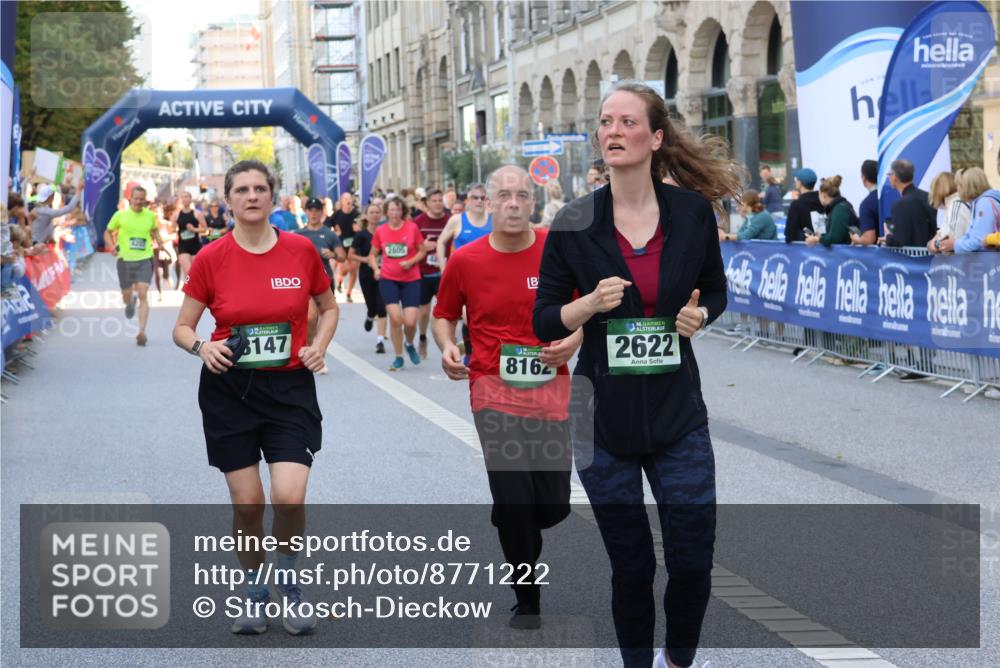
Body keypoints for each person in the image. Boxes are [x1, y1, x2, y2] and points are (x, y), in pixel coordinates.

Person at [533, 81, 736, 668]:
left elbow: (716, 291)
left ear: (655, 137)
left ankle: (679, 656)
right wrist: (588, 306)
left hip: (679, 415)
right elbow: (547, 317)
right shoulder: (574, 221)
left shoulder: (693, 215)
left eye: (626, 121)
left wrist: (701, 314)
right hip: (603, 421)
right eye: (605, 122)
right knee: (633, 565)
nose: (614, 131)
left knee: (694, 558)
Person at [172, 160, 339, 636]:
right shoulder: (211, 258)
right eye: (242, 189)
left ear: (272, 197)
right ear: (228, 199)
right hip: (230, 390)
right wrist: (204, 346)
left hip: (288, 390)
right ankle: (253, 591)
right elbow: (181, 328)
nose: (251, 196)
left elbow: (328, 308)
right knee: (247, 504)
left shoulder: (301, 250)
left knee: (289, 498)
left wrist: (317, 347)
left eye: (260, 188)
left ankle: (288, 586)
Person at [433, 165, 582, 629]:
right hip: (491, 389)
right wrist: (447, 346)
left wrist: (573, 341)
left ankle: (512, 514)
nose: (513, 203)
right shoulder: (466, 259)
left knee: (553, 504)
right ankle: (528, 598)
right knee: (516, 498)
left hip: (549, 389)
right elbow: (443, 315)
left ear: (532, 203)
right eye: (504, 196)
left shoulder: (556, 252)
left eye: (522, 195)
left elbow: (582, 312)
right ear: (487, 203)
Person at [368, 196, 426, 370]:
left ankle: (409, 344)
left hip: (411, 279)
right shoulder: (381, 230)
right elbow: (372, 254)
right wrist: (376, 269)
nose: (395, 213)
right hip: (388, 279)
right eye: (392, 209)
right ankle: (399, 356)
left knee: (409, 322)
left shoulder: (412, 228)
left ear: (403, 212)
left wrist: (411, 262)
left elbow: (422, 251)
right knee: (396, 318)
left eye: (398, 209)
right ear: (387, 211)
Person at [104, 186, 162, 346]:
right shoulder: (120, 215)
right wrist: (111, 246)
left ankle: (141, 331)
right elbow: (107, 232)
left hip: (145, 258)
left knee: (143, 291)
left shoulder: (150, 215)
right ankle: (129, 302)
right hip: (125, 260)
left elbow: (155, 230)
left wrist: (160, 242)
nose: (138, 201)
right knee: (127, 294)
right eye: (136, 198)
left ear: (145, 200)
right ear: (131, 198)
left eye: (141, 199)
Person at [295, 197, 347, 374]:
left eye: (317, 210)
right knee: (310, 318)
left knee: (324, 317)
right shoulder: (298, 234)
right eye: (310, 209)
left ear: (322, 212)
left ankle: (318, 354)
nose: (314, 213)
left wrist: (332, 253)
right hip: (303, 283)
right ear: (306, 212)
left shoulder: (329, 234)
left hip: (324, 282)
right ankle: (313, 353)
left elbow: (342, 256)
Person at [413, 188, 451, 358]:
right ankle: (422, 337)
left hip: (446, 273)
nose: (437, 203)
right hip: (424, 272)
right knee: (423, 311)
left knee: (448, 311)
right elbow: (410, 245)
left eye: (439, 200)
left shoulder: (451, 220)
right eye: (434, 200)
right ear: (427, 203)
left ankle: (449, 344)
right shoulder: (418, 221)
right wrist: (422, 247)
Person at [349, 202, 389, 353]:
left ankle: (380, 341)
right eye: (371, 212)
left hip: (384, 274)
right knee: (372, 306)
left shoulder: (386, 232)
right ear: (366, 215)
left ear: (381, 215)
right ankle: (370, 315)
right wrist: (366, 259)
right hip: (366, 275)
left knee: (382, 307)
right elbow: (350, 255)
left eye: (377, 212)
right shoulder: (361, 235)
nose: (375, 215)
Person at [934, 167, 998, 254]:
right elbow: (971, 236)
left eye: (959, 185)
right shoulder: (979, 203)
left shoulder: (984, 204)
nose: (957, 189)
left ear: (967, 186)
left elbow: (980, 241)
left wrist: (955, 245)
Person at [436, 183, 492, 272]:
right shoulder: (457, 220)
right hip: (461, 275)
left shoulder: (494, 221)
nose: (479, 201)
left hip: (487, 275)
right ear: (468, 200)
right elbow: (440, 242)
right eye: (475, 197)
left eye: (482, 198)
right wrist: (443, 269)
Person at [885, 159, 936, 247]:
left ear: (894, 177)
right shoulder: (928, 196)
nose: (888, 177)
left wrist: (888, 237)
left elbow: (900, 242)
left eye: (889, 174)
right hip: (931, 256)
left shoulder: (899, 205)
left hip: (911, 259)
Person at [806, 176, 855, 247]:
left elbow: (835, 238)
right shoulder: (842, 206)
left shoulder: (839, 210)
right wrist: (821, 237)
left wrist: (817, 239)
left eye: (818, 195)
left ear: (824, 195)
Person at [325, 193, 359, 297]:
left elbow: (362, 225)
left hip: (354, 245)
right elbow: (327, 226)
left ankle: (349, 293)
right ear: (342, 201)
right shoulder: (336, 215)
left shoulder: (356, 213)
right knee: (344, 269)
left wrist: (359, 227)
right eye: (345, 199)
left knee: (353, 269)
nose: (348, 201)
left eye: (349, 199)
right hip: (341, 244)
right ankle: (340, 280)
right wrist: (335, 232)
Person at [171, 191, 207, 284]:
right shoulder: (176, 215)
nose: (184, 199)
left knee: (196, 272)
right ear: (181, 200)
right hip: (183, 247)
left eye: (186, 197)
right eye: (182, 197)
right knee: (188, 273)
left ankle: (196, 290)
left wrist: (194, 229)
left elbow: (205, 229)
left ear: (190, 199)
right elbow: (172, 228)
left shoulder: (197, 214)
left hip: (195, 245)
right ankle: (189, 288)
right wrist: (174, 227)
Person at [784, 167, 823, 243]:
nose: (795, 182)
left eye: (796, 179)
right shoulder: (823, 201)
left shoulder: (796, 204)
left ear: (800, 182)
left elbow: (790, 234)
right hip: (824, 246)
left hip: (805, 249)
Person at [851, 159, 882, 246]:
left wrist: (856, 239)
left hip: (880, 256)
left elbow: (869, 239)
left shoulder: (866, 204)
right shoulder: (890, 196)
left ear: (863, 178)